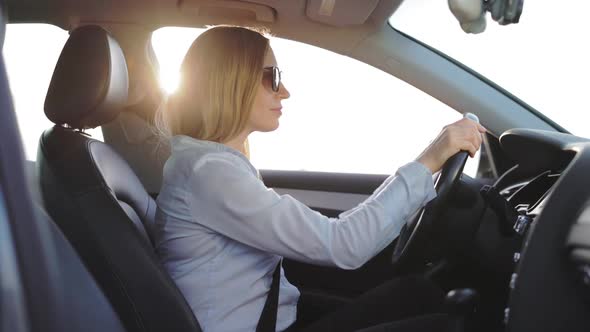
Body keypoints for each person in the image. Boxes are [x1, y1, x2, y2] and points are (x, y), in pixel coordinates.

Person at [154, 26, 486, 332]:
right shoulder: (210, 173)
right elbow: (344, 245)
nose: (284, 91)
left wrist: (425, 170)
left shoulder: (211, 166)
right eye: (273, 77)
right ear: (231, 80)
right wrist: (431, 158)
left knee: (416, 293)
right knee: (450, 325)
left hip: (274, 317)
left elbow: (333, 239)